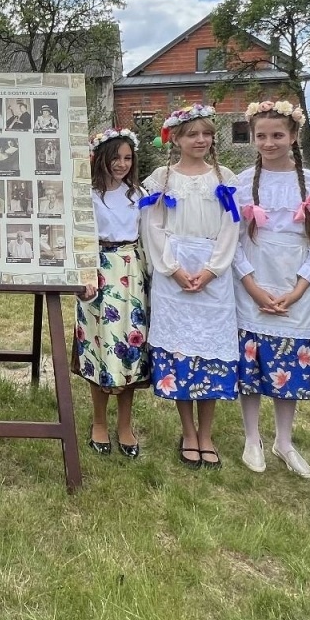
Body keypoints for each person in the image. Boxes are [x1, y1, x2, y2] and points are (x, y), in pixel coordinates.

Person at [232, 101, 310, 479]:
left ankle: (284, 439)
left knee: (287, 364)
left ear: (293, 136)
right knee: (254, 364)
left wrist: (297, 290)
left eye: (277, 135)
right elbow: (231, 241)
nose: (268, 142)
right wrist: (251, 286)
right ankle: (251, 437)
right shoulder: (243, 182)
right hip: (254, 283)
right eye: (261, 135)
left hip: (295, 285)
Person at [140, 104, 241, 469]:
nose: (200, 140)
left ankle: (207, 432)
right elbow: (152, 226)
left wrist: (214, 269)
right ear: (177, 138)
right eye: (192, 134)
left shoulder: (224, 176)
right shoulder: (162, 178)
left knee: (210, 351)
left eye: (206, 133)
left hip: (214, 273)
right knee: (182, 350)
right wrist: (172, 268)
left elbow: (232, 225)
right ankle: (187, 429)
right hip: (175, 272)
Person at [76, 129, 149, 458]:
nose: (121, 164)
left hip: (130, 269)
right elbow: (79, 237)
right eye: (116, 157)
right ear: (101, 157)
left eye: (127, 158)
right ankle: (99, 421)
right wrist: (84, 274)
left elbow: (149, 234)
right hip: (99, 272)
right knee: (100, 344)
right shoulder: (87, 195)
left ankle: (125, 423)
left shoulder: (138, 194)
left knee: (130, 345)